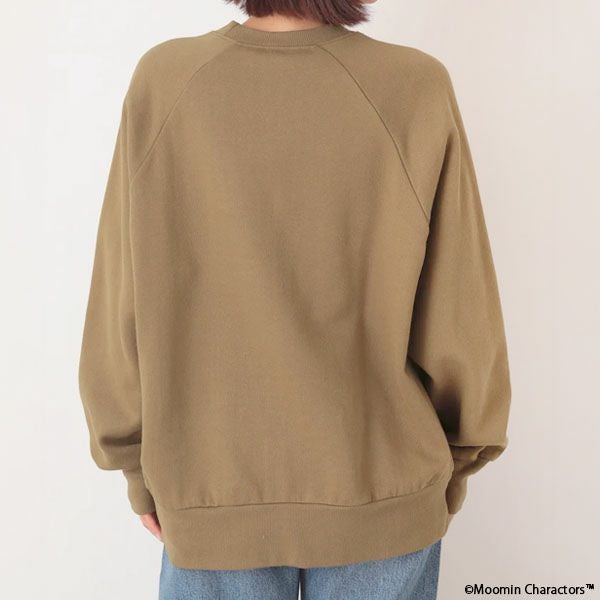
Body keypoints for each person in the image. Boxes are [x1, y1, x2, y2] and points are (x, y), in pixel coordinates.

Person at [77, 0, 512, 598]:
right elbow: (461, 308)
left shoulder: (168, 78)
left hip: (212, 488)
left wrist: (135, 462)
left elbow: (119, 294)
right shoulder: (412, 85)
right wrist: (455, 464)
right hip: (382, 488)